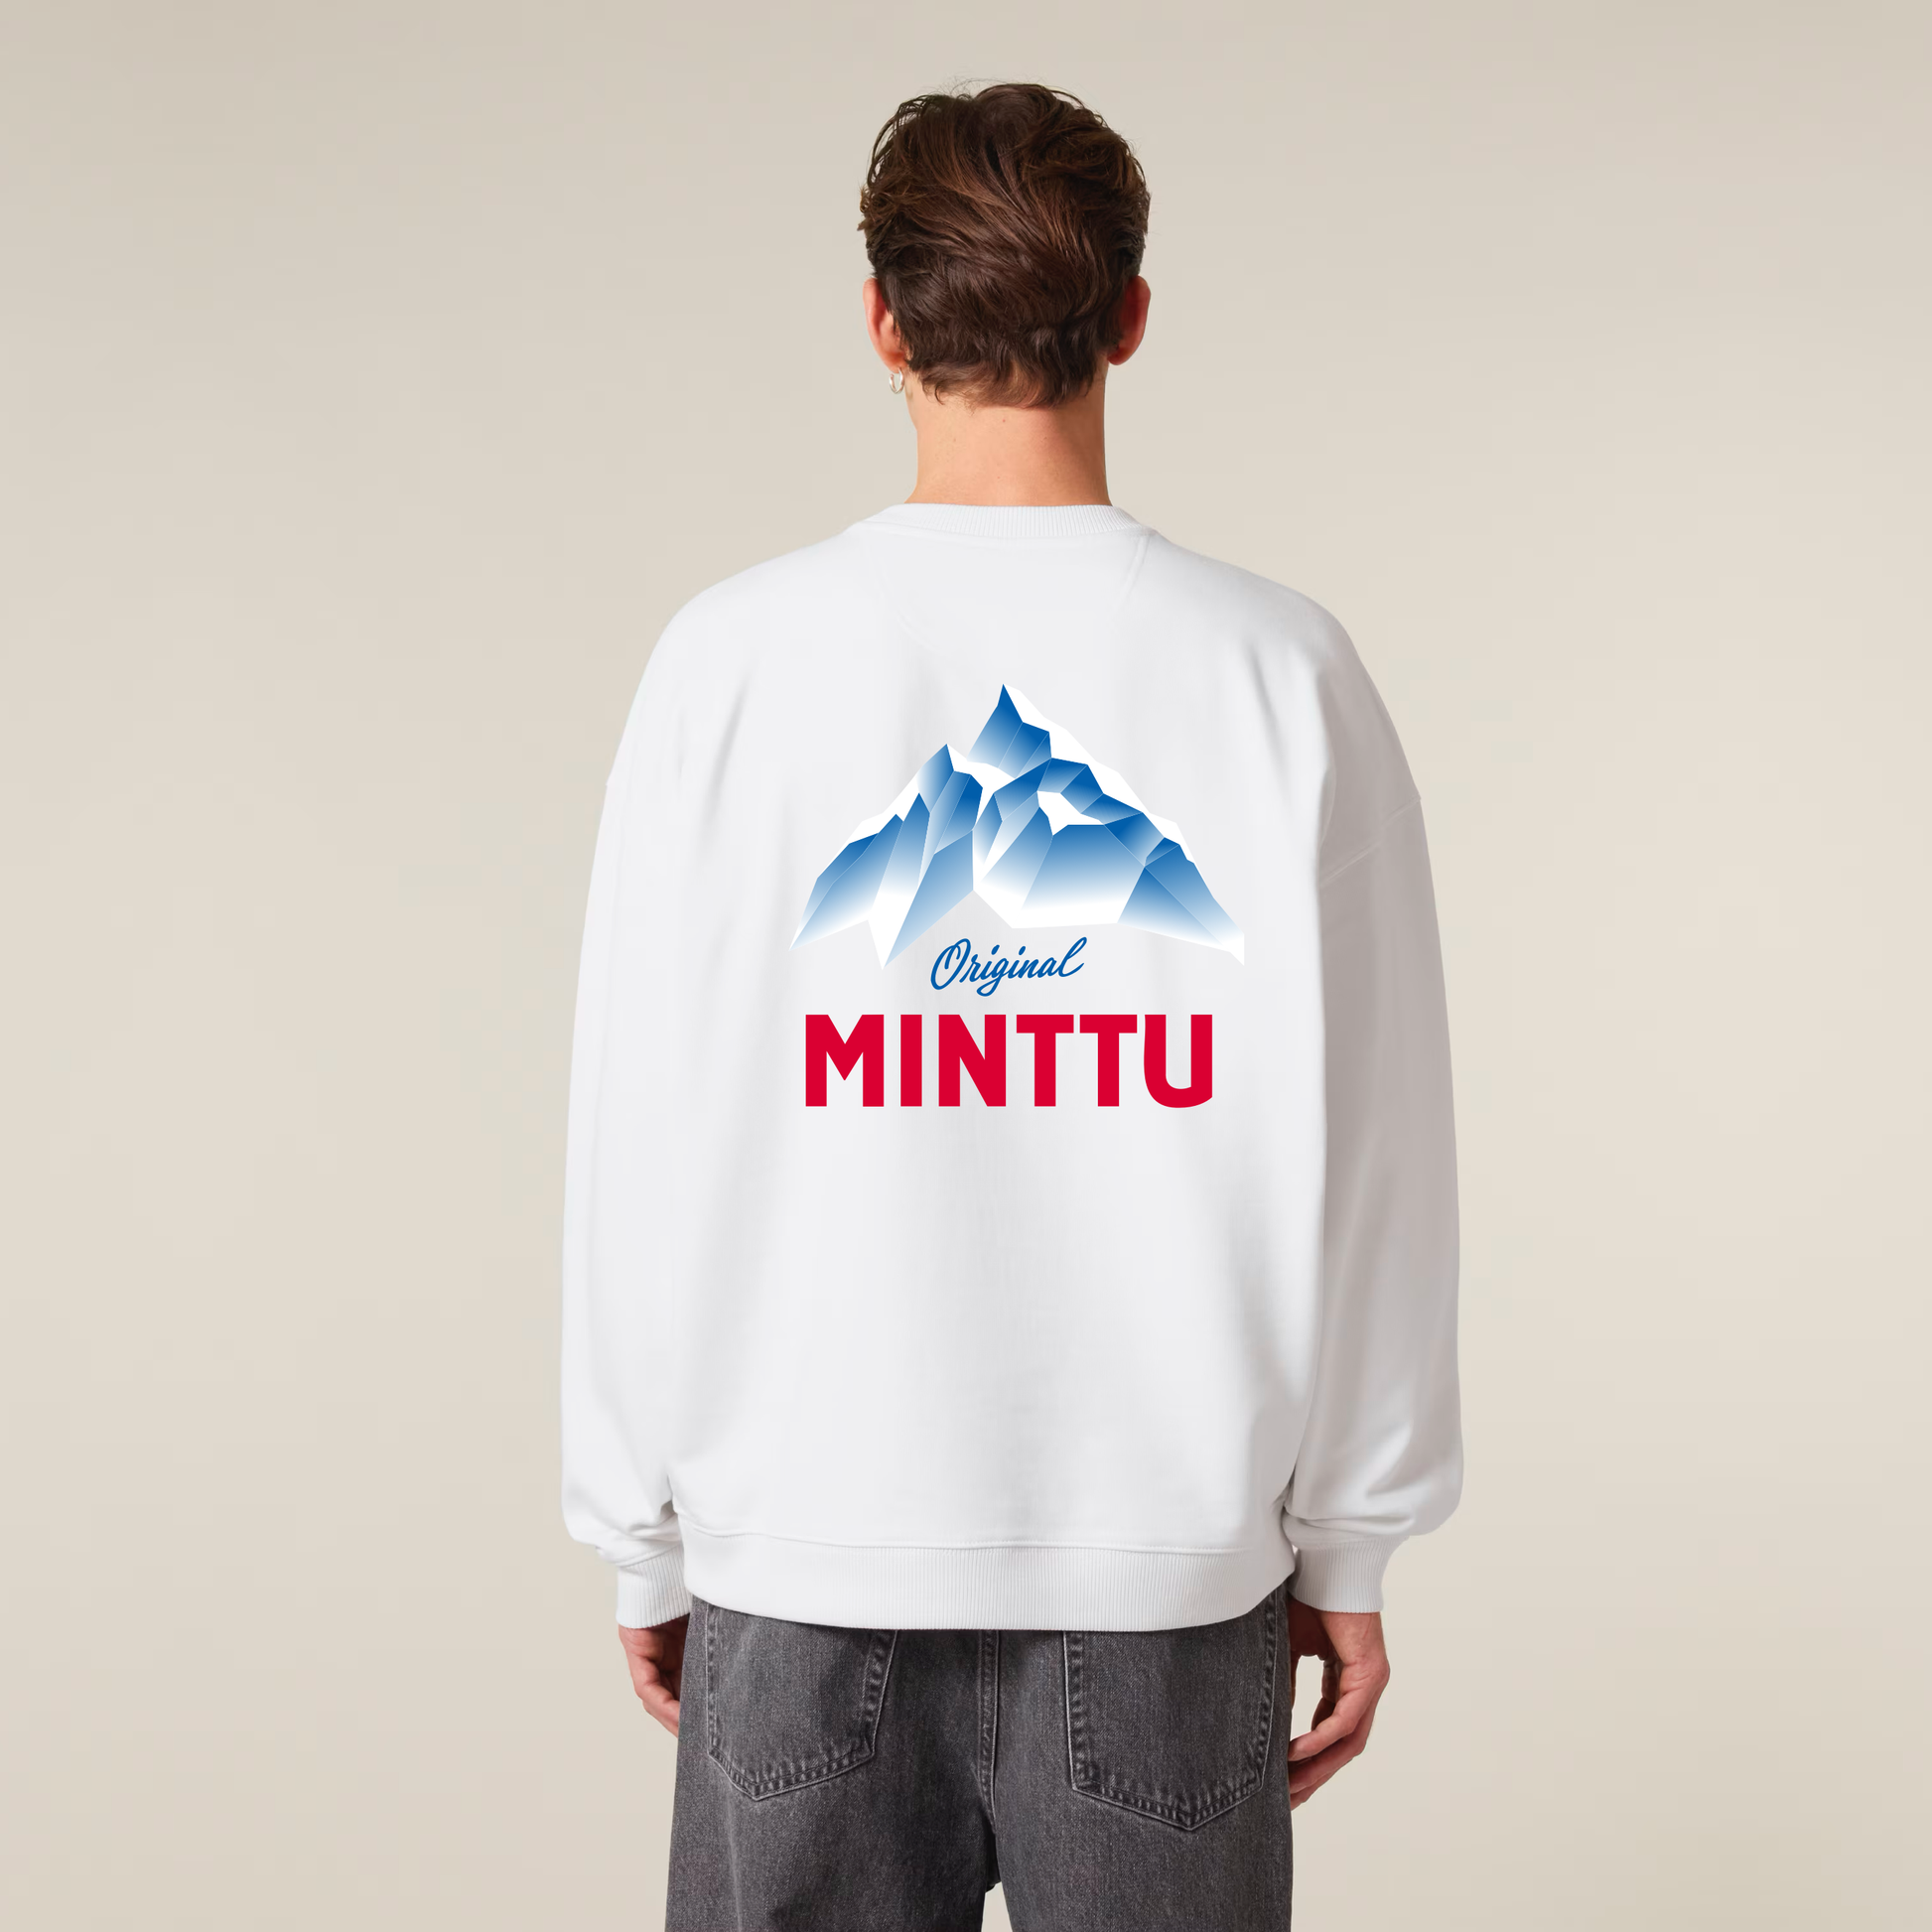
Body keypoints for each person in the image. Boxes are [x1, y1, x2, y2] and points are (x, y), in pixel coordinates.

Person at [561, 81, 1460, 1931]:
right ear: (1128, 314)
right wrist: (1350, 1533)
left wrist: (638, 1526)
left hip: (796, 1559)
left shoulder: (724, 665)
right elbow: (1379, 1148)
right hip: (1165, 1582)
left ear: (881, 323)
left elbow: (633, 1120)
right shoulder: (1280, 671)